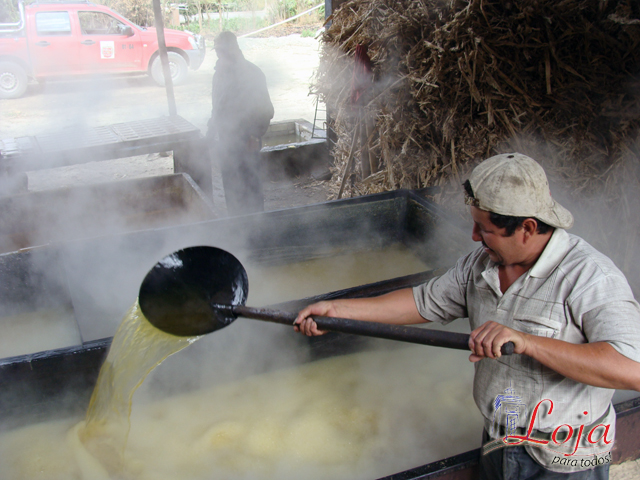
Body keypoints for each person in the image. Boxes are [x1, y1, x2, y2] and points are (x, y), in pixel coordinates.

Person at [294, 152, 640, 479]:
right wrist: (339, 310)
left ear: (528, 228)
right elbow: (421, 302)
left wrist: (527, 343)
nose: (474, 237)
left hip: (565, 459)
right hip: (499, 440)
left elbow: (631, 368)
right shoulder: (481, 265)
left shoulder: (591, 278)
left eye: (485, 230)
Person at [206, 31, 274, 216]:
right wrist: (211, 133)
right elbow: (217, 107)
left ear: (233, 50)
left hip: (247, 140)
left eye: (222, 51)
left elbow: (265, 110)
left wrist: (254, 135)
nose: (219, 55)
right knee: (231, 185)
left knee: (250, 185)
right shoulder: (219, 74)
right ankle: (236, 225)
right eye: (217, 51)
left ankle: (256, 226)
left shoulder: (252, 74)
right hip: (226, 142)